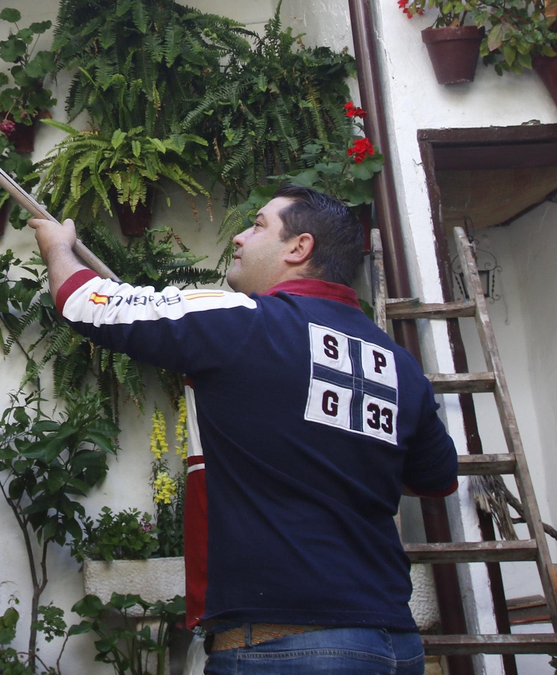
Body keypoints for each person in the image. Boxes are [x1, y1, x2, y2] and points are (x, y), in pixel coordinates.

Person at [30, 184, 458, 674]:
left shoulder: (244, 321)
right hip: (396, 645)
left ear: (299, 248)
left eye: (256, 225)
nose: (237, 237)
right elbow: (436, 479)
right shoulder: (399, 366)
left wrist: (58, 249)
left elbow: (89, 303)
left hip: (286, 647)